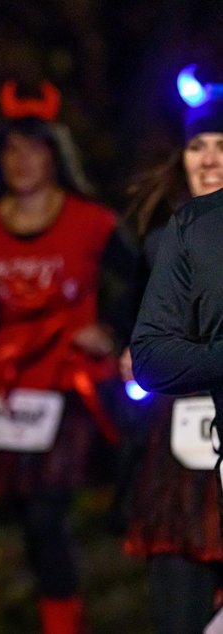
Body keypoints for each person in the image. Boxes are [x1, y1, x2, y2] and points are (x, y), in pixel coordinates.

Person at [0, 80, 137, 634]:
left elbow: (145, 283)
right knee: (26, 521)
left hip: (70, 387)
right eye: (11, 148)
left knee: (47, 512)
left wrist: (112, 330)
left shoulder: (93, 223)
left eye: (34, 148)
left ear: (56, 155)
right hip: (7, 391)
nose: (21, 160)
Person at [128, 65, 223, 633]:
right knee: (178, 599)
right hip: (177, 434)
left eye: (221, 145)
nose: (209, 159)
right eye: (197, 146)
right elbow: (134, 334)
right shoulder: (157, 237)